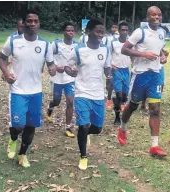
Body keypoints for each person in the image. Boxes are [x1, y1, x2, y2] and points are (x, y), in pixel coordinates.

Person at [0, 10, 57, 168]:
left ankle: (22, 154)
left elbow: (50, 63)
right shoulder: (13, 41)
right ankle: (13, 139)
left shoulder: (45, 44)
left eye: (35, 21)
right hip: (18, 91)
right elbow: (1, 58)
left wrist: (52, 68)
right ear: (23, 23)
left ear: (39, 24)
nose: (32, 24)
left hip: (35, 92)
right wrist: (6, 72)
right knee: (18, 126)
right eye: (29, 21)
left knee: (31, 126)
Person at [118, 6, 168, 157]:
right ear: (147, 17)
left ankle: (154, 146)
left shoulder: (162, 32)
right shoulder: (140, 32)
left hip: (155, 75)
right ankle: (123, 128)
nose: (157, 17)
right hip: (140, 75)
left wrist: (163, 56)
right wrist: (143, 54)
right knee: (132, 106)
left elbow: (160, 50)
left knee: (155, 109)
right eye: (153, 15)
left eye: (159, 14)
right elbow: (124, 49)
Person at [64, 19, 112, 170]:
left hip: (98, 94)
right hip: (82, 93)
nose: (100, 35)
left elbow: (107, 67)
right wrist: (71, 72)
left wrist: (109, 75)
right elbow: (67, 67)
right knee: (84, 126)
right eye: (97, 31)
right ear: (89, 31)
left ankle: (85, 135)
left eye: (102, 32)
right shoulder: (79, 50)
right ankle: (83, 156)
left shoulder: (105, 50)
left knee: (97, 129)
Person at [46, 23, 78, 138]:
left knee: (70, 101)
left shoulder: (77, 46)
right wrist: (55, 67)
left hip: (70, 79)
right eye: (68, 30)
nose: (70, 32)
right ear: (64, 32)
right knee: (57, 101)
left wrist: (76, 70)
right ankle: (51, 105)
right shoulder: (56, 44)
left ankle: (68, 127)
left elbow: (79, 60)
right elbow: (48, 57)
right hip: (57, 79)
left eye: (72, 30)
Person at [109, 21, 131, 125]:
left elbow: (133, 56)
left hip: (126, 71)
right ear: (119, 31)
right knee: (119, 94)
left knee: (124, 97)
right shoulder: (113, 43)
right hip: (116, 70)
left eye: (126, 30)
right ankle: (117, 117)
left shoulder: (130, 43)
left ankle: (118, 104)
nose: (124, 32)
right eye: (122, 30)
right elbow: (107, 55)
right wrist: (111, 66)